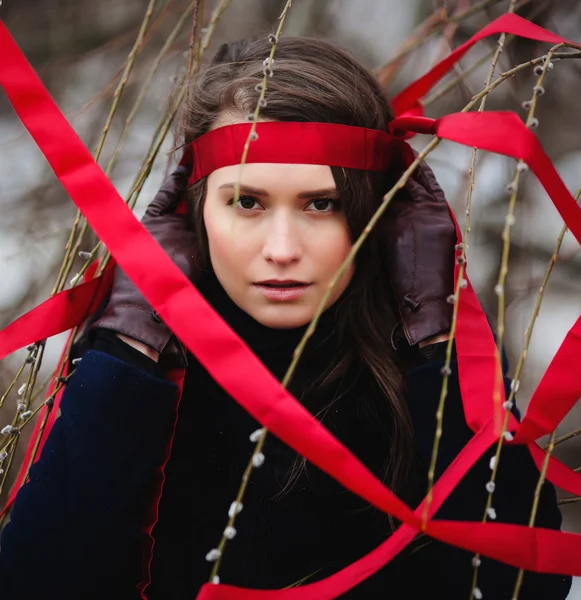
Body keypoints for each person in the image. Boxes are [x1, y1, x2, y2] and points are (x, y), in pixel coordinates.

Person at [0, 36, 572, 600]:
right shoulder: (137, 367)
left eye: (322, 204)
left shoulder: (421, 359)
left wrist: (439, 333)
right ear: (195, 210)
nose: (281, 249)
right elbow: (40, 580)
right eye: (247, 202)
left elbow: (520, 583)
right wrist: (129, 342)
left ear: (378, 212)